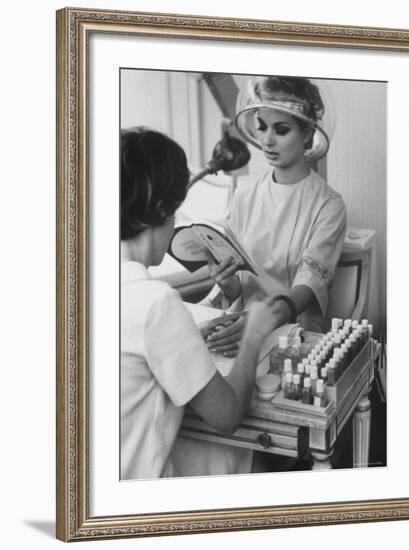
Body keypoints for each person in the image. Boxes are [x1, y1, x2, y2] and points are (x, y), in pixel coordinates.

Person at [120, 127, 280, 480]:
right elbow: (226, 416)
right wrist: (253, 335)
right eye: (175, 210)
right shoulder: (155, 302)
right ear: (163, 210)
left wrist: (187, 334)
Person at [204, 75, 347, 356]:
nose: (267, 140)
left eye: (281, 130)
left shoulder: (329, 205)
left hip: (294, 337)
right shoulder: (245, 194)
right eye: (262, 127)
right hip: (241, 330)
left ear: (307, 133)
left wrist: (260, 323)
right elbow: (240, 287)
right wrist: (227, 283)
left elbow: (308, 286)